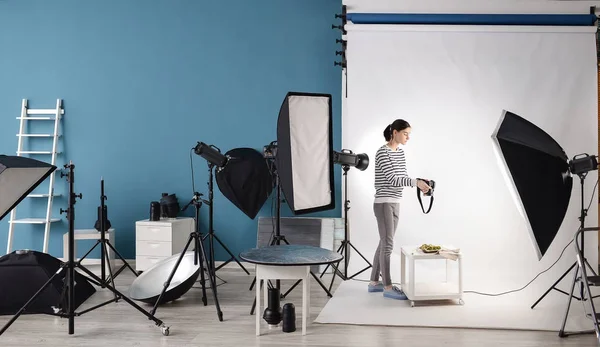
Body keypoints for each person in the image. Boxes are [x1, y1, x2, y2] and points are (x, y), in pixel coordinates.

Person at [368, 119, 431, 300]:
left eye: (409, 134)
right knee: (387, 245)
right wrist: (415, 183)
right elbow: (393, 179)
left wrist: (420, 182)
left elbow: (402, 176)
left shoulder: (400, 153)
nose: (408, 137)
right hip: (384, 202)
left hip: (395, 201)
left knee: (384, 242)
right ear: (394, 132)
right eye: (405, 133)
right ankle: (387, 287)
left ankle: (374, 282)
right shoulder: (382, 152)